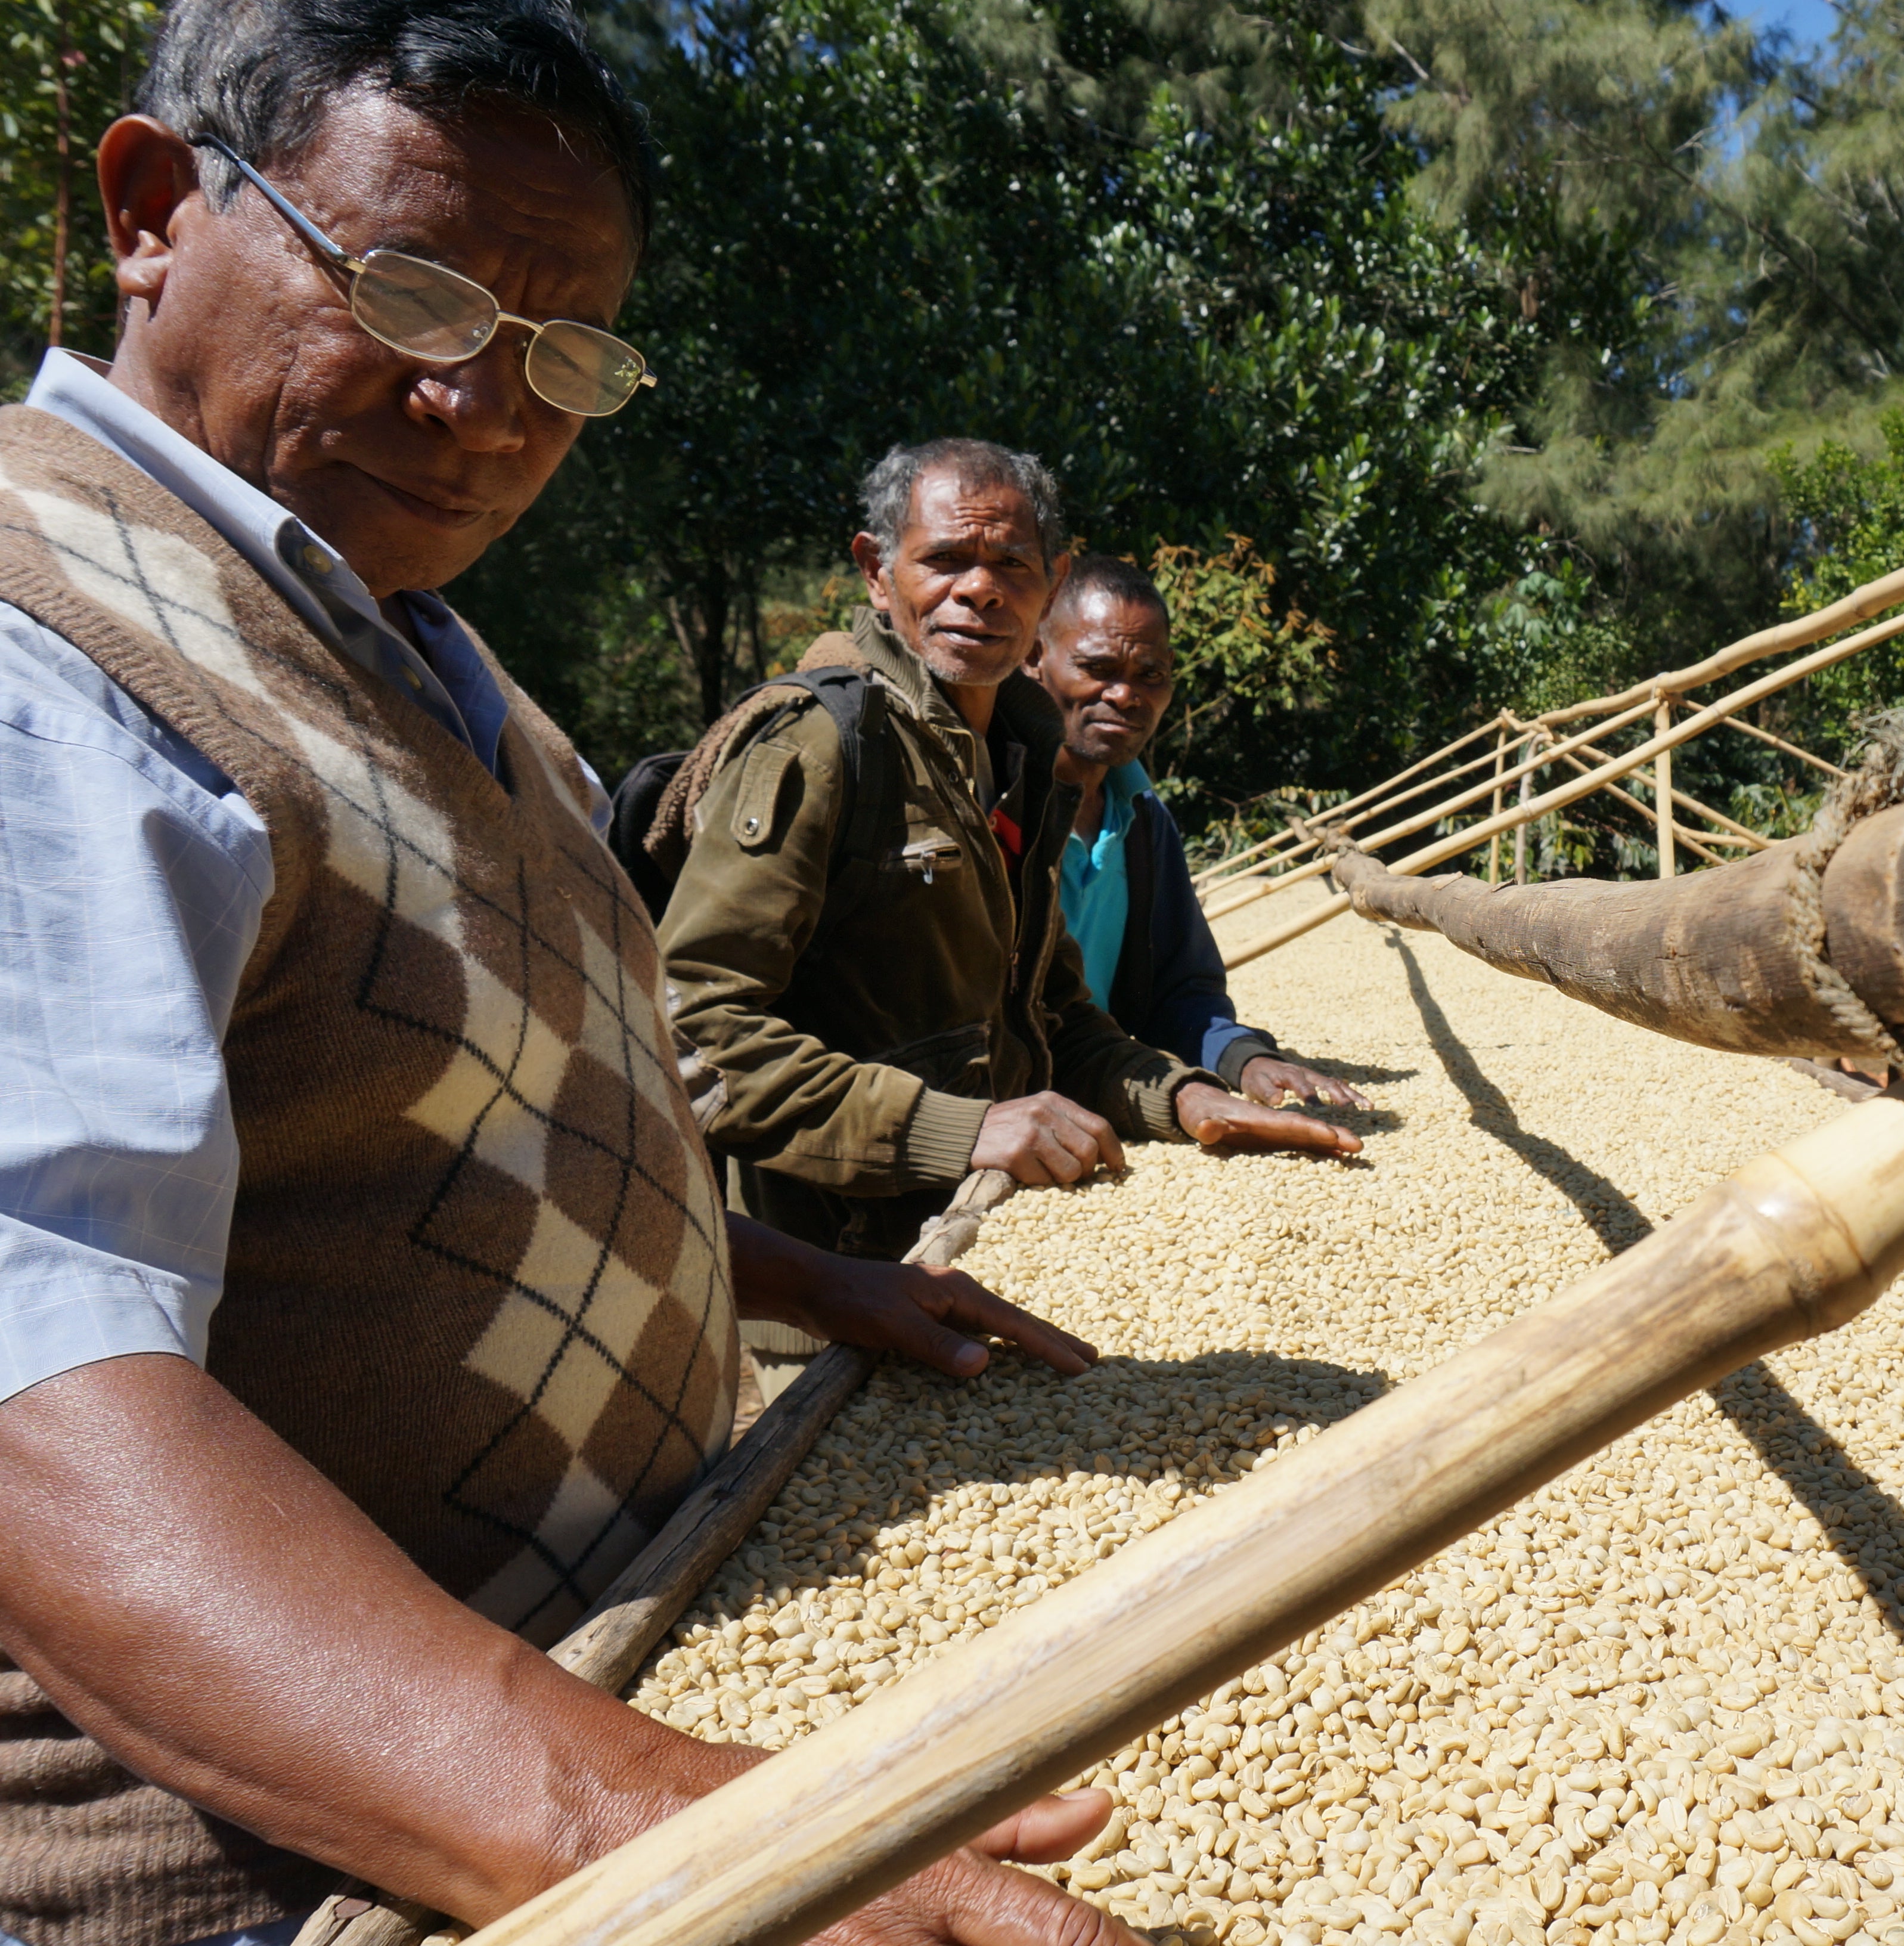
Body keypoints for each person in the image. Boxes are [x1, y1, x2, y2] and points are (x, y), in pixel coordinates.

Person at [0, 8, 1144, 1945]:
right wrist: (647, 1818)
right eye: (419, 293)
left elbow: (455, 1133)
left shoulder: (421, 655)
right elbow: (41, 1388)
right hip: (299, 1868)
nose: (490, 408)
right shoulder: (48, 647)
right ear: (147, 212)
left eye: (561, 353)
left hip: (616, 1651)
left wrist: (792, 1276)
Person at [650, 441, 1360, 1272]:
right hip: (841, 1267)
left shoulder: (1023, 760)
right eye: (944, 559)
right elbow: (690, 1032)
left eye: (1011, 565)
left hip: (983, 1237)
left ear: (1052, 584)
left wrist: (1185, 1097)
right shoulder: (823, 746)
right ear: (877, 573)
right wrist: (962, 1129)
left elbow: (1054, 1017)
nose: (980, 588)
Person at [1025, 556, 1366, 1110]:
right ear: (1035, 658)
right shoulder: (993, 806)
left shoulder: (1141, 819)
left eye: (1149, 675)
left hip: (1101, 1088)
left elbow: (1180, 993)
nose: (1125, 696)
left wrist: (1247, 1060)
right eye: (1097, 668)